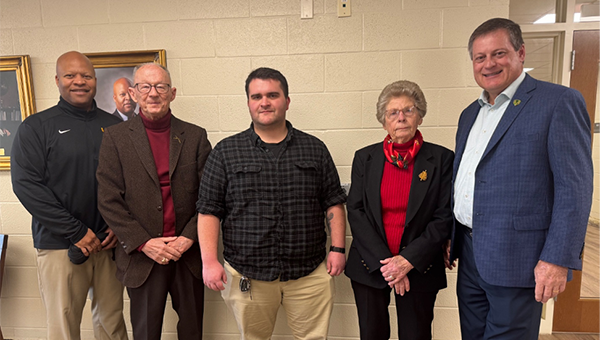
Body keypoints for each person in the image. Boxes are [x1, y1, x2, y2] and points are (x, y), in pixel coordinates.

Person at [448, 18, 593, 340]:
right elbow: (467, 179)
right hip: (470, 254)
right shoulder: (470, 114)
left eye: (498, 53)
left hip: (519, 258)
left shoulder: (557, 102)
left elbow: (575, 188)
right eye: (480, 57)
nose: (489, 64)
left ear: (521, 53)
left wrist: (556, 259)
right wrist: (452, 235)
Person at [197, 67, 347, 340]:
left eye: (272, 95)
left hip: (309, 273)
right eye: (256, 96)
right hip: (247, 273)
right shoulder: (226, 151)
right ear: (248, 103)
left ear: (287, 101)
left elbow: (334, 202)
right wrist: (209, 261)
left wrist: (337, 248)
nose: (264, 102)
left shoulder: (314, 148)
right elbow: (209, 210)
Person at [11, 51, 127, 340]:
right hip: (60, 244)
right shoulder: (36, 127)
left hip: (108, 243)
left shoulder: (116, 127)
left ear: (95, 80)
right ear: (57, 80)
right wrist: (75, 231)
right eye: (70, 75)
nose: (79, 81)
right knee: (64, 326)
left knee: (112, 323)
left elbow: (130, 183)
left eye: (86, 76)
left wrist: (118, 226)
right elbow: (27, 186)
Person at [97, 62, 212, 340]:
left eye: (160, 86)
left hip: (187, 254)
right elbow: (108, 198)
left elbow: (211, 196)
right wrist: (144, 243)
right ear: (134, 93)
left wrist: (188, 238)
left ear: (172, 93)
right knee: (146, 333)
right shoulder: (115, 138)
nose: (153, 93)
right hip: (142, 257)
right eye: (145, 87)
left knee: (192, 331)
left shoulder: (195, 136)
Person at [345, 80, 453, 340]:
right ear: (384, 121)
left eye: (409, 110)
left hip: (420, 265)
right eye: (393, 112)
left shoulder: (441, 159)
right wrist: (390, 266)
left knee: (416, 335)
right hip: (370, 263)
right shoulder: (365, 158)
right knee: (372, 334)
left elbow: (443, 215)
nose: (401, 118)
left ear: (420, 117)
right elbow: (356, 211)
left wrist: (406, 262)